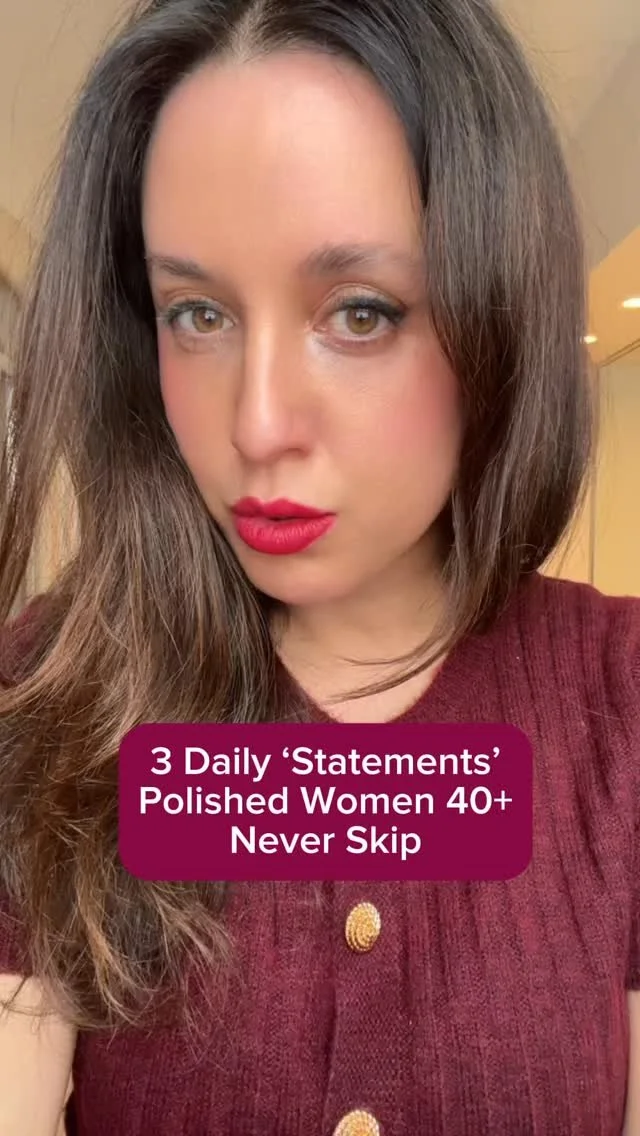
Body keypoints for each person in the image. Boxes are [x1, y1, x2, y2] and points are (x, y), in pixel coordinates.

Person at [0, 0, 638, 1132]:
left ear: (501, 314)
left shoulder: (621, 698)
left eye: (360, 312)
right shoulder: (49, 688)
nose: (255, 425)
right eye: (196, 313)